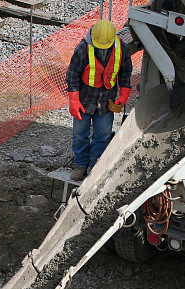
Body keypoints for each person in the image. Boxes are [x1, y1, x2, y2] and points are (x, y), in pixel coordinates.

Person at [65, 19, 133, 181]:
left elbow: (125, 73)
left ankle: (96, 166)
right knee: (80, 134)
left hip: (105, 103)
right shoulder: (83, 48)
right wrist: (73, 100)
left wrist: (123, 94)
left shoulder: (121, 48)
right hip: (84, 102)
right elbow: (72, 74)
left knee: (102, 135)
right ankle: (81, 164)